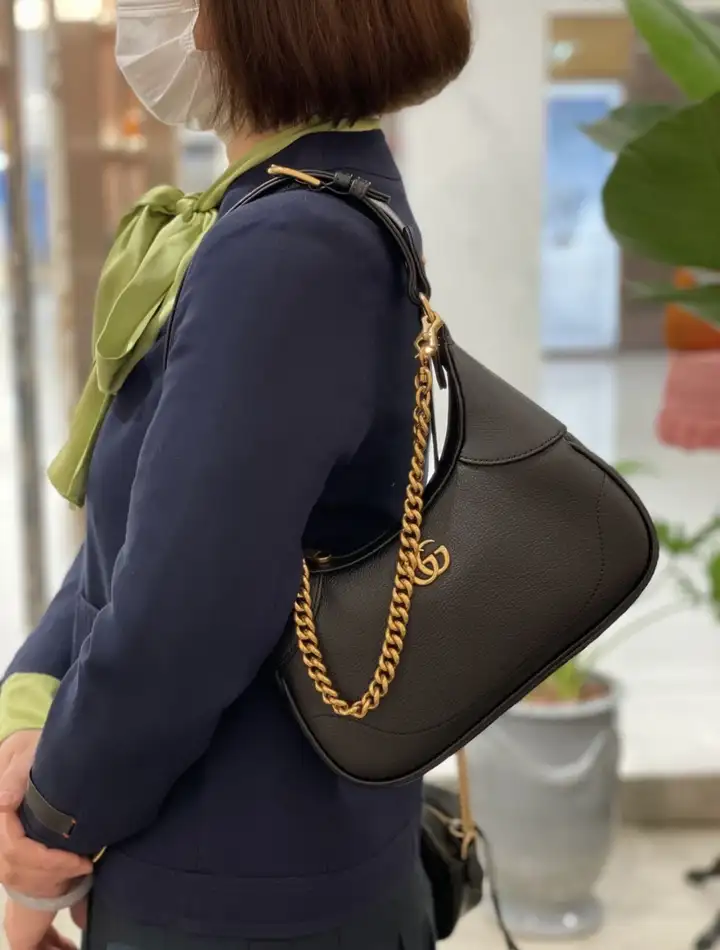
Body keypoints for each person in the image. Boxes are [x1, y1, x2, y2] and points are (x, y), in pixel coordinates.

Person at [0, 1, 472, 948]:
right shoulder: (300, 208)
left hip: (241, 887)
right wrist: (30, 701)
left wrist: (50, 828)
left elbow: (186, 610)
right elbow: (140, 537)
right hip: (270, 852)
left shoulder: (286, 243)